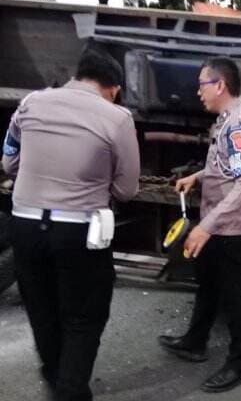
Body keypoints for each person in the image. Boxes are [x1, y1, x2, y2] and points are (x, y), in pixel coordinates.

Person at [2, 48, 140, 401]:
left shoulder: (31, 102)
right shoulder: (118, 117)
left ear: (78, 76)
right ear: (113, 88)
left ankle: (55, 376)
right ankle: (70, 391)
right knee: (84, 315)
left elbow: (9, 161)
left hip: (25, 225)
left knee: (42, 308)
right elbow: (126, 189)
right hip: (78, 232)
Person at [158, 57, 241, 393]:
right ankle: (195, 341)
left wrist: (206, 226)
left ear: (220, 85)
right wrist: (197, 176)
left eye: (202, 84)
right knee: (207, 285)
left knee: (236, 298)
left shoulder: (239, 125)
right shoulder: (226, 120)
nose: (198, 91)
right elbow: (227, 168)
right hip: (215, 224)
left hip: (232, 229)